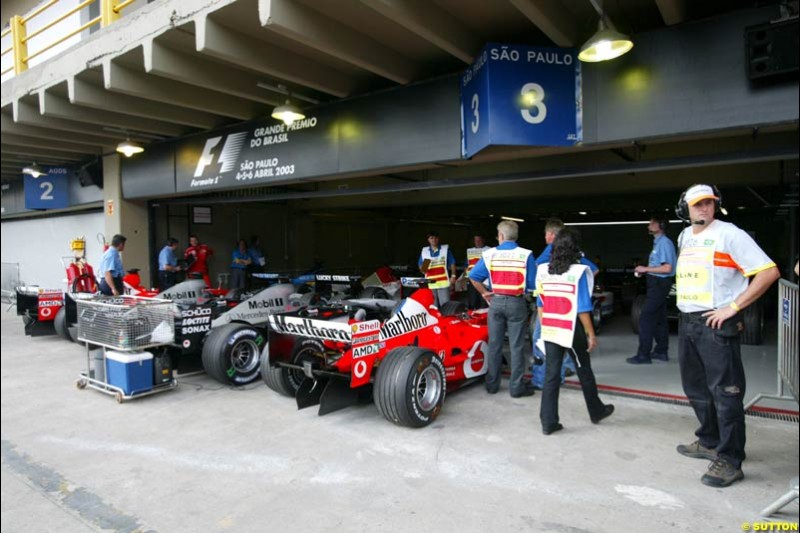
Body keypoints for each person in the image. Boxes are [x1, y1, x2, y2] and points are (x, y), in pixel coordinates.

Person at [674, 184, 779, 487]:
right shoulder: (684, 237)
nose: (704, 209)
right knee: (695, 388)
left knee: (726, 394)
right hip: (688, 322)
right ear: (685, 209)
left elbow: (768, 272)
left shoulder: (730, 233)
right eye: (698, 205)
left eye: (709, 203)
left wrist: (733, 307)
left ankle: (731, 460)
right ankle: (709, 440)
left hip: (716, 324)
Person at [536, 228, 614, 435]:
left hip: (552, 328)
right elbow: (582, 308)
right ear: (575, 248)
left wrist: (546, 327)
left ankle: (548, 422)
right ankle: (596, 410)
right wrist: (591, 334)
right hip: (571, 330)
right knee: (584, 370)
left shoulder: (543, 270)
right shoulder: (577, 272)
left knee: (551, 375)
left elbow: (540, 304)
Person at [469, 220, 537, 398]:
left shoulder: (489, 254)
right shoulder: (526, 255)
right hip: (516, 303)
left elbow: (473, 276)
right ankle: (516, 387)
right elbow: (532, 285)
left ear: (501, 236)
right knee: (516, 346)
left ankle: (492, 385)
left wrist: (485, 293)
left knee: (495, 345)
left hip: (496, 303)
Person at [532, 218, 599, 387]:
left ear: (553, 235)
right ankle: (568, 368)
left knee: (541, 341)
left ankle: (542, 380)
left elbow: (537, 272)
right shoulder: (576, 254)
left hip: (551, 307)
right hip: (568, 308)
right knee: (570, 343)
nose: (545, 237)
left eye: (546, 233)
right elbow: (594, 269)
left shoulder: (550, 250)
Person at [627, 215, 677, 364]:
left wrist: (645, 268)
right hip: (656, 282)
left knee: (645, 319)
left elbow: (668, 268)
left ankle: (643, 355)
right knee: (660, 319)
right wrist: (646, 271)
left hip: (659, 284)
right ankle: (661, 351)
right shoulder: (658, 243)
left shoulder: (664, 243)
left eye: (652, 222)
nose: (649, 224)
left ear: (660, 225)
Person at [418, 231, 457, 307]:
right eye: (431, 238)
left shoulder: (445, 250)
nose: (433, 240)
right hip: (430, 284)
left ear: (438, 239)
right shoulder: (425, 251)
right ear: (428, 240)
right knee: (433, 307)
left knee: (445, 306)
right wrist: (423, 269)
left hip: (443, 283)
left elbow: (452, 263)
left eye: (435, 238)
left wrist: (453, 276)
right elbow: (420, 265)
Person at [465, 234, 490, 309]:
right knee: (473, 301)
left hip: (485, 281)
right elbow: (467, 265)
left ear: (483, 240)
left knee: (484, 301)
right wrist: (466, 276)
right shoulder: (470, 251)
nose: (477, 242)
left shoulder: (489, 250)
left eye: (479, 240)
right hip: (472, 280)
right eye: (476, 240)